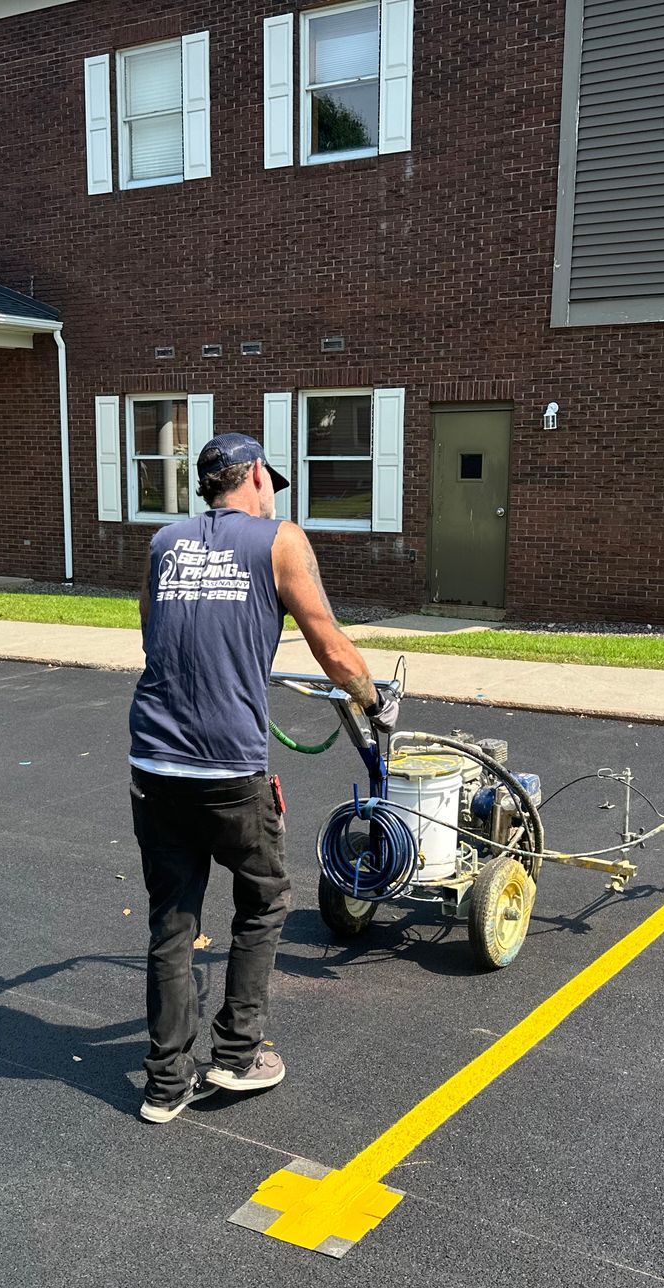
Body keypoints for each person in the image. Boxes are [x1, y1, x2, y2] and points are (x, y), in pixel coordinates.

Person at [127, 433, 397, 1124]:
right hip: (227, 766)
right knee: (264, 900)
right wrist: (374, 701)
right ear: (250, 478)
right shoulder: (281, 539)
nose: (274, 492)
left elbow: (156, 632)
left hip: (155, 760)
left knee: (172, 921)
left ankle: (165, 1087)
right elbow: (330, 644)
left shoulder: (164, 542)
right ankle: (239, 1055)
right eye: (269, 481)